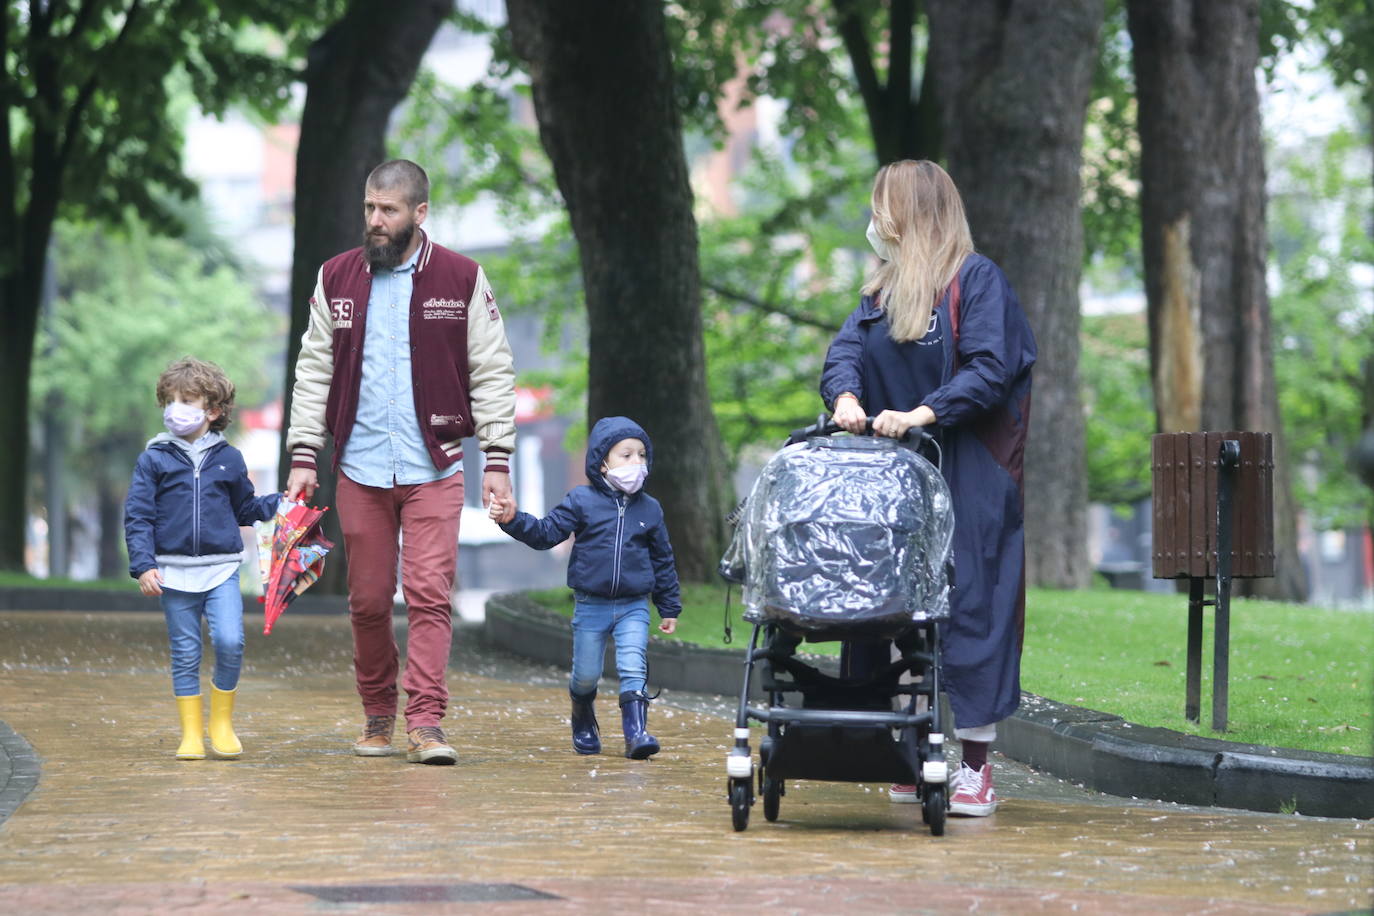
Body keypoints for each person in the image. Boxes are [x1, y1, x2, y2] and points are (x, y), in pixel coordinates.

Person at [820, 159, 1036, 816]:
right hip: (894, 477)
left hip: (967, 468)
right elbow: (844, 355)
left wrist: (923, 411)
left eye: (883, 204)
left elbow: (992, 368)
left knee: (970, 605)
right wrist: (847, 396)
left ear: (911, 212)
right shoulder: (881, 292)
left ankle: (974, 767)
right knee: (883, 605)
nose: (874, 217)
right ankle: (906, 747)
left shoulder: (976, 281)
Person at [285, 159, 517, 765]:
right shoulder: (336, 276)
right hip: (358, 466)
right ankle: (377, 712)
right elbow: (314, 369)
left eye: (388, 210)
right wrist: (304, 454)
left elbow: (492, 370)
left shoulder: (461, 277)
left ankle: (426, 722)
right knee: (365, 601)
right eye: (369, 208)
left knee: (429, 595)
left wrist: (497, 458)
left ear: (419, 213)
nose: (375, 220)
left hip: (434, 466)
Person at [487, 416, 682, 759]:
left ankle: (636, 733)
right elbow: (546, 533)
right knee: (586, 675)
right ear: (603, 462)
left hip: (633, 604)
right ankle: (582, 715)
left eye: (641, 455)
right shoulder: (581, 500)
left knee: (633, 665)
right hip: (591, 605)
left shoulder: (650, 509)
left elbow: (662, 559)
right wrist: (512, 520)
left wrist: (669, 606)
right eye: (626, 455)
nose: (636, 463)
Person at [125, 357, 281, 760]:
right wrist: (143, 564)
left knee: (230, 641)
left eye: (187, 400)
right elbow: (138, 515)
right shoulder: (153, 460)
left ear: (212, 410)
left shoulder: (230, 459)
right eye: (170, 399)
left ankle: (221, 723)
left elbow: (245, 509)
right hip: (173, 573)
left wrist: (281, 504)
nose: (175, 408)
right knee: (185, 651)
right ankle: (191, 734)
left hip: (221, 569)